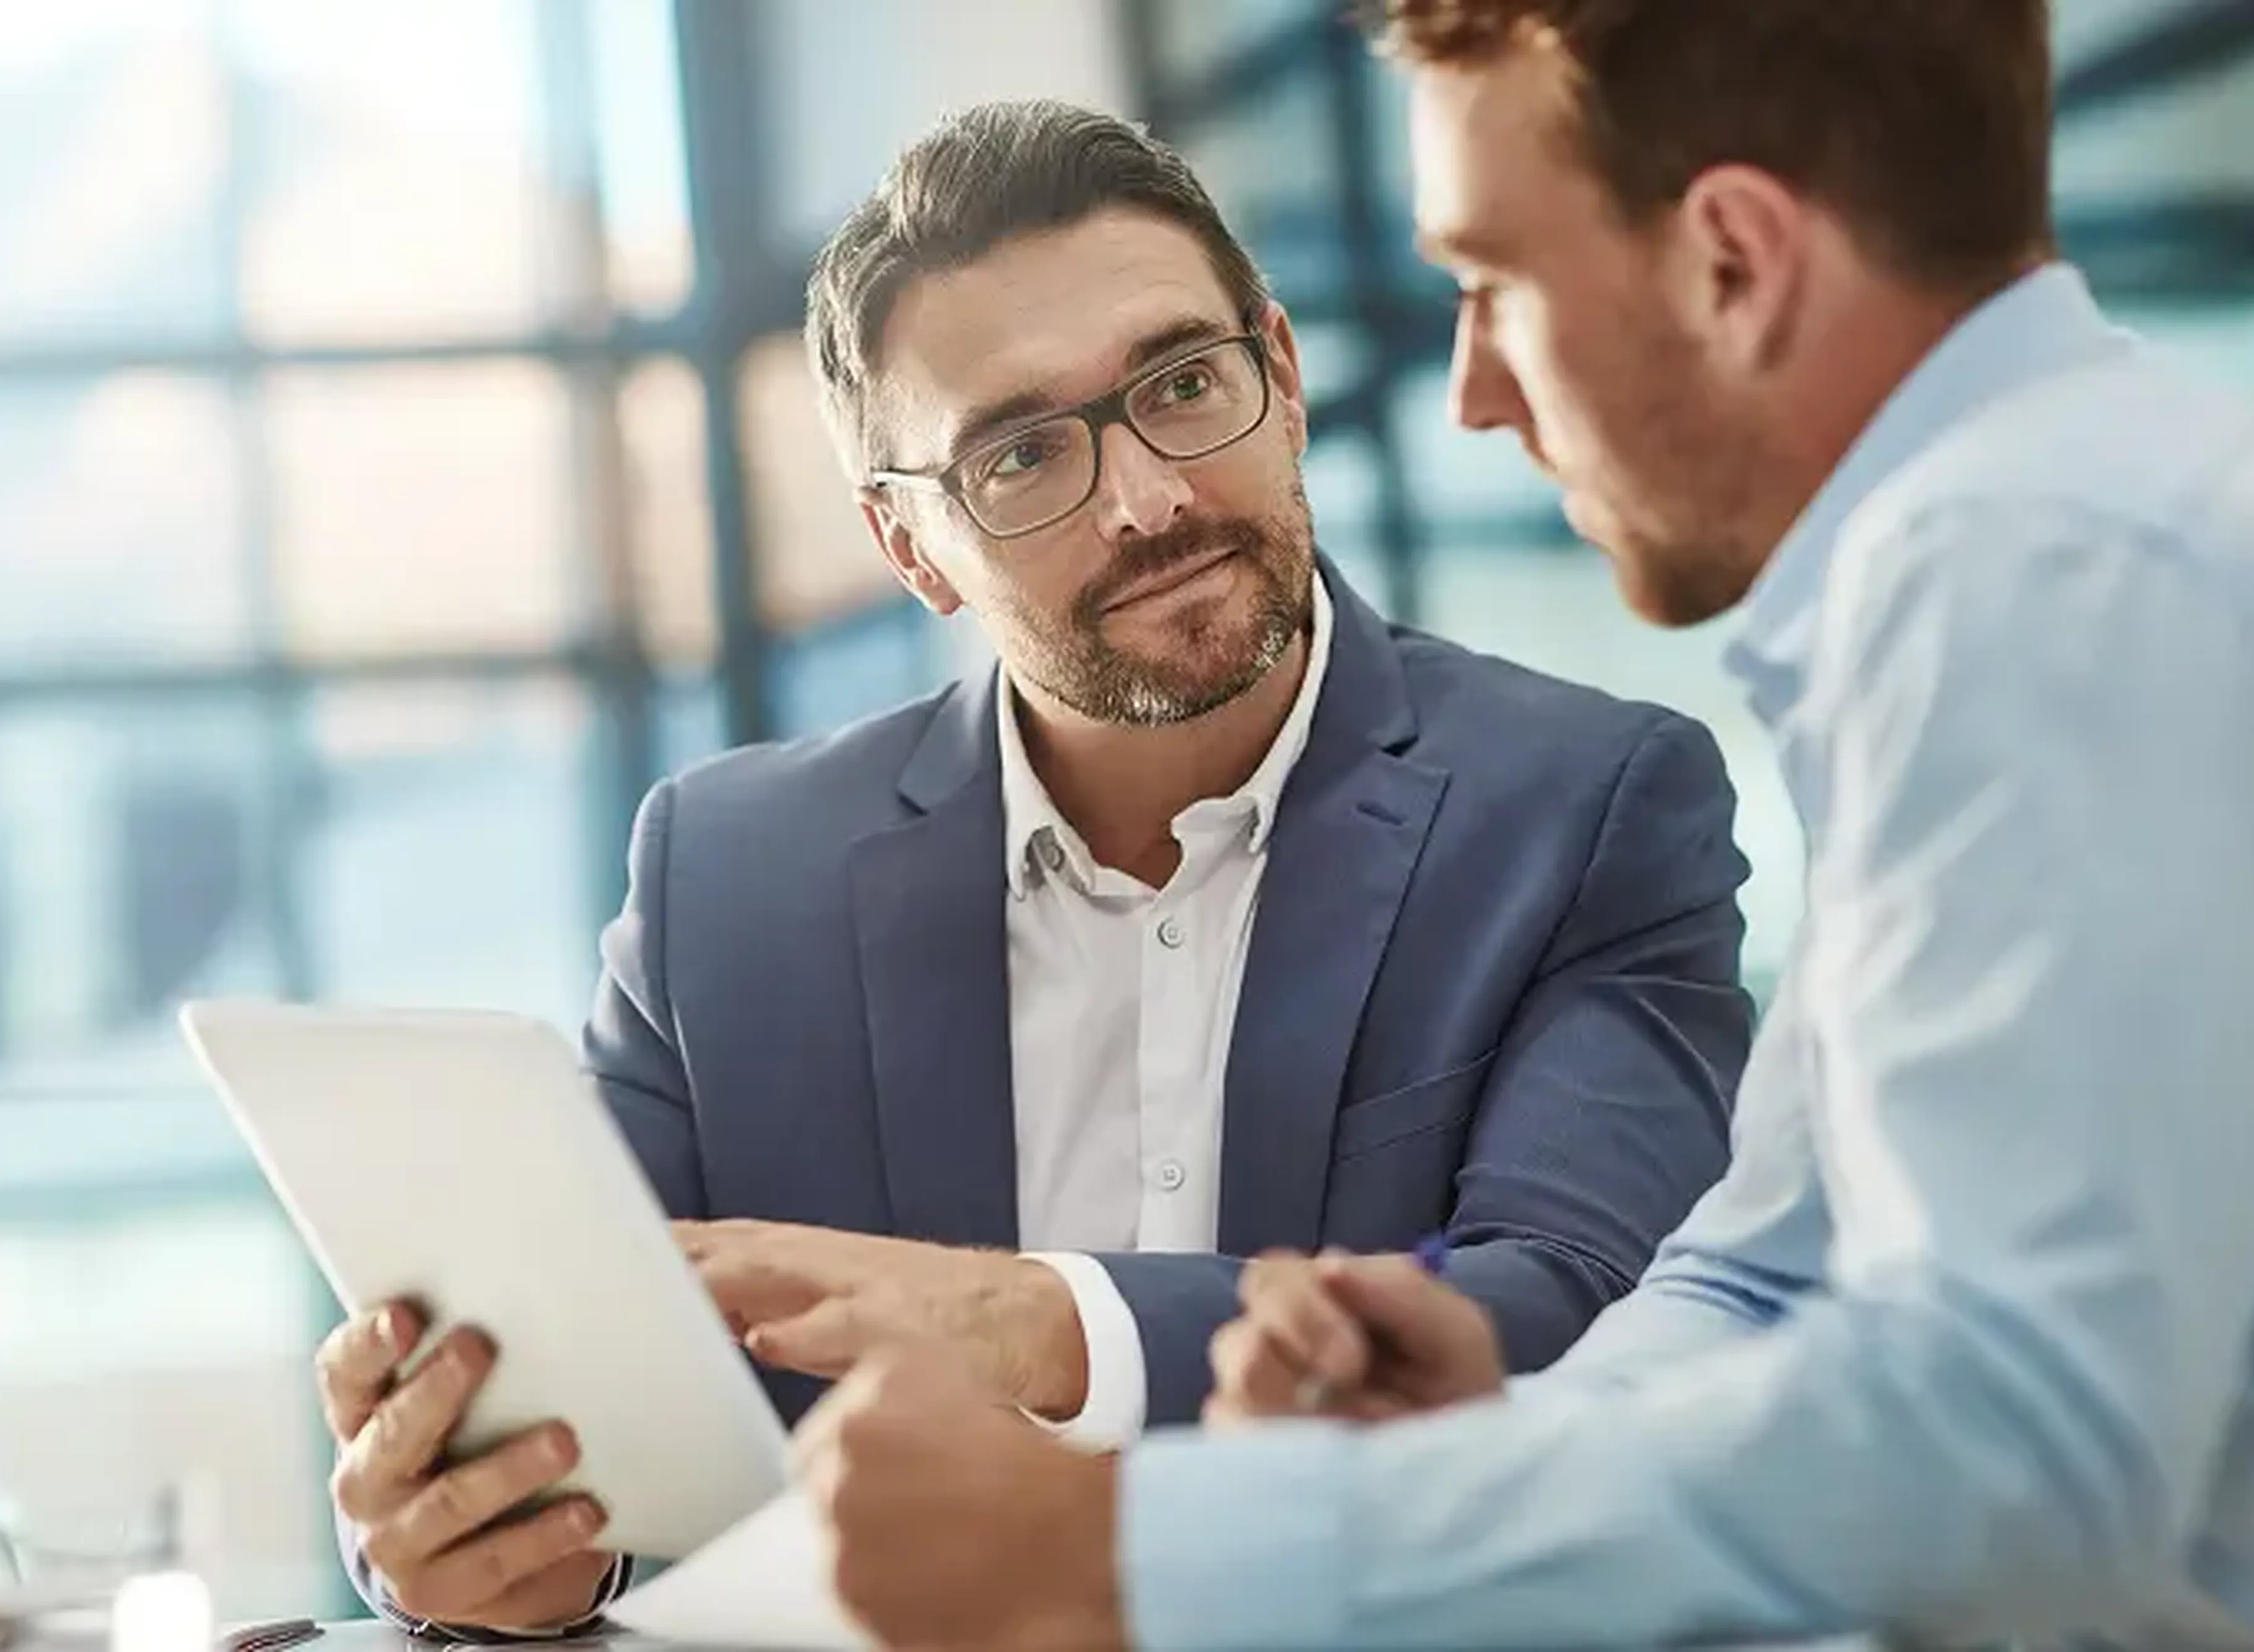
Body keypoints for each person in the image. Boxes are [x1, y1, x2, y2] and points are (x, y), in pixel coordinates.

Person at [791, 2, 2254, 1648]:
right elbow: (1765, 1274)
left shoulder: (2043, 574)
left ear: (1734, 263)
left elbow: (2015, 1447)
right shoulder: (2022, 545)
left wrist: (1131, 1548)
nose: (1476, 392)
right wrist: (1496, 1441)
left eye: (1495, 284)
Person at [312, 97, 1758, 1639]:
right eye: (1021, 456)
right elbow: (577, 1389)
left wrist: (1033, 1321)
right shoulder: (725, 881)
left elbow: (1585, 1309)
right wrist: (482, 1536)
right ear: (909, 546)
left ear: (1281, 379)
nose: (1150, 501)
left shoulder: (1588, 807)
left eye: (1184, 386)